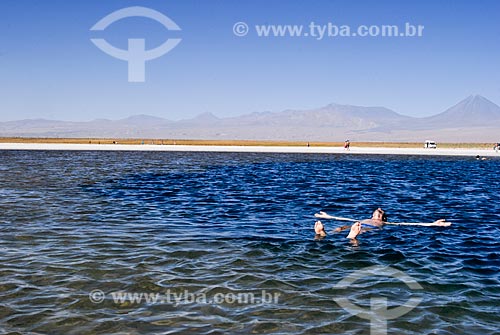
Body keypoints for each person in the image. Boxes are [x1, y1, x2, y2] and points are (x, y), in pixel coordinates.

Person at [314, 208, 449, 240]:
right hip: (356, 224)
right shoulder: (366, 218)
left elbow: (408, 224)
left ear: (383, 218)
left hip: (367, 227)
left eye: (380, 213)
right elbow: (343, 218)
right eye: (376, 212)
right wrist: (327, 216)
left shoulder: (385, 222)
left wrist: (433, 224)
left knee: (360, 230)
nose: (378, 211)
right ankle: (322, 233)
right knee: (340, 228)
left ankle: (352, 237)